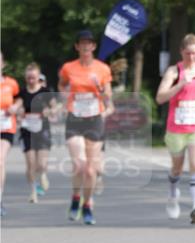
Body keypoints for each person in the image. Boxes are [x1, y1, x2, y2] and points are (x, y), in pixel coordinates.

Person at [156, 33, 195, 225]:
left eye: (194, 53)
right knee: (177, 168)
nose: (191, 56)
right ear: (181, 51)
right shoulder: (173, 72)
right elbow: (160, 97)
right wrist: (181, 84)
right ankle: (173, 194)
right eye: (188, 53)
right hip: (176, 127)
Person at [58, 29, 113, 225]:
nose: (85, 46)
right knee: (79, 166)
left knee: (90, 170)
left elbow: (107, 96)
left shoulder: (102, 69)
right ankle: (75, 198)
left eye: (89, 43)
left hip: (94, 119)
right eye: (82, 43)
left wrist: (100, 88)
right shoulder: (68, 67)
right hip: (75, 118)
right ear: (77, 46)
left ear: (93, 46)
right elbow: (62, 85)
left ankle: (87, 204)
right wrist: (65, 95)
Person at [19, 62, 56, 202]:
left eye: (33, 77)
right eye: (28, 78)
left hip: (43, 130)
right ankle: (33, 192)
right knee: (30, 163)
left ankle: (43, 174)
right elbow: (16, 106)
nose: (31, 80)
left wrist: (50, 111)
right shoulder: (22, 93)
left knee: (41, 163)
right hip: (27, 130)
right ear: (25, 78)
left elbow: (56, 106)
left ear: (38, 77)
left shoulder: (45, 92)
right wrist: (18, 111)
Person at [0, 52, 22, 215]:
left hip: (6, 127)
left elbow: (19, 99)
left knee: (0, 161)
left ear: (3, 64)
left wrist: (15, 107)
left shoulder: (11, 83)